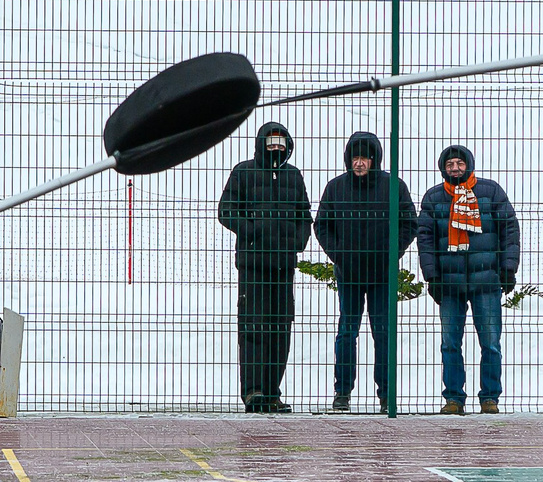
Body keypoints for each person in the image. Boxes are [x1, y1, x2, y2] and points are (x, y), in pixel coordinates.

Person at [313, 129, 419, 412]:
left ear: (375, 160)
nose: (359, 163)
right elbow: (321, 224)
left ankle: (386, 394)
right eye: (355, 157)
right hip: (348, 273)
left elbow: (410, 222)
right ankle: (342, 393)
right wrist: (339, 254)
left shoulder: (394, 186)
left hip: (382, 273)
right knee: (347, 331)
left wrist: (391, 252)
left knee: (383, 332)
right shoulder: (335, 187)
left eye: (365, 158)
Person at [217, 121, 312, 413]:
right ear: (261, 143)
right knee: (254, 327)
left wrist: (296, 243)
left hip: (283, 265)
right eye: (271, 141)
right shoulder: (243, 171)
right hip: (253, 265)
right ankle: (253, 391)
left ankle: (272, 392)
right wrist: (252, 230)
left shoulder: (293, 176)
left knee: (280, 329)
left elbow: (304, 216)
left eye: (281, 142)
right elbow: (226, 211)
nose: (276, 147)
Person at [417, 144, 518, 415]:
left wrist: (508, 268)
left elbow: (509, 229)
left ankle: (490, 398)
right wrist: (432, 276)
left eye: (460, 163)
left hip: (486, 281)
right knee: (450, 343)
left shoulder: (491, 191)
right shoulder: (434, 197)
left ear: (469, 165)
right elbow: (424, 239)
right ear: (443, 168)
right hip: (449, 284)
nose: (455, 168)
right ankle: (453, 399)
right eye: (450, 164)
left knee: (490, 342)